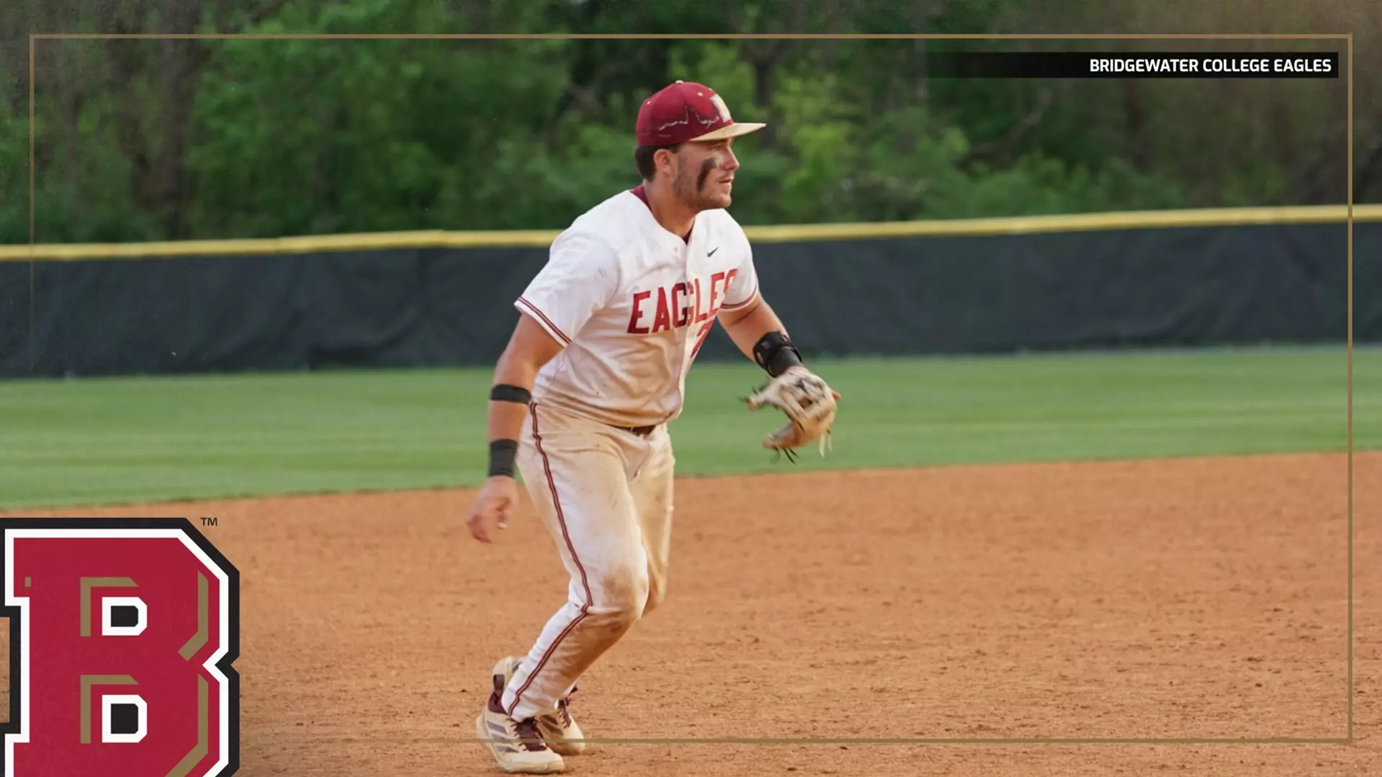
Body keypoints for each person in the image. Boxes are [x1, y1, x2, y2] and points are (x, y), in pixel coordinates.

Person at [466, 80, 838, 774]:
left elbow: (744, 309)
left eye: (732, 144)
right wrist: (497, 471)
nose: (732, 159)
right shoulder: (601, 246)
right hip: (572, 425)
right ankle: (509, 709)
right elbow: (520, 354)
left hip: (652, 434)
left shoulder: (721, 233)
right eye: (715, 145)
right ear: (665, 159)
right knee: (614, 588)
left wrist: (788, 366)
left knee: (641, 593)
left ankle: (539, 683)